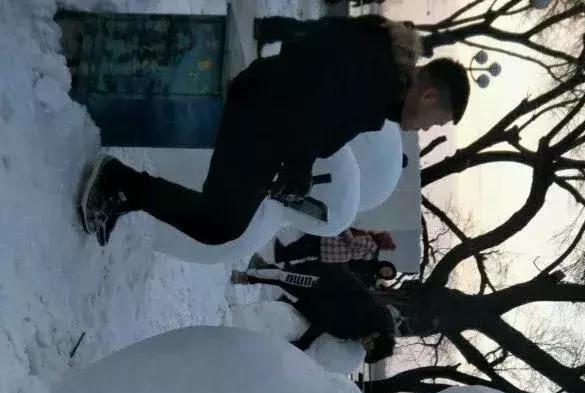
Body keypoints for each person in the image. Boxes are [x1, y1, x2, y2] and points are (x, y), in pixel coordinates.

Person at [78, 16, 470, 247]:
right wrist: (299, 162)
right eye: (435, 119)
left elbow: (319, 90)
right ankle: (118, 183)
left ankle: (123, 191)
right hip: (260, 112)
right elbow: (311, 86)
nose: (426, 128)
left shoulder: (380, 73)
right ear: (430, 94)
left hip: (270, 123)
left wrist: (296, 165)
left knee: (224, 223)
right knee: (221, 224)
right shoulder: (378, 77)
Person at [231, 261, 397, 361]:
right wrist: (304, 343)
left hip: (317, 299)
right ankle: (247, 277)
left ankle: (261, 268)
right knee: (283, 278)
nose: (364, 347)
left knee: (285, 282)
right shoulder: (363, 318)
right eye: (370, 347)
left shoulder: (362, 329)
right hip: (322, 283)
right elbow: (326, 321)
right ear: (376, 336)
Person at [274, 228, 398, 286]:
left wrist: (344, 228)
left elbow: (352, 242)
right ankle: (284, 255)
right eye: (387, 270)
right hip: (335, 255)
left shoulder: (370, 243)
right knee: (307, 249)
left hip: (333, 246)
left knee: (307, 243)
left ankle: (282, 254)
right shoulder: (371, 253)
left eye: (386, 273)